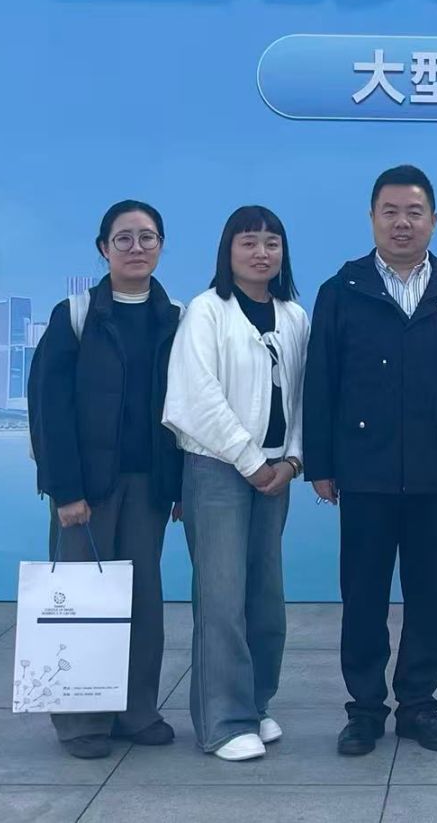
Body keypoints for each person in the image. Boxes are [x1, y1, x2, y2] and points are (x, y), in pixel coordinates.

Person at [303, 165, 437, 757]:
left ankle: (419, 707)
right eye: (390, 211)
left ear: (434, 219)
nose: (402, 223)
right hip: (364, 470)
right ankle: (364, 710)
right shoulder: (342, 289)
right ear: (372, 217)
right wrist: (321, 464)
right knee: (364, 597)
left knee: (429, 597)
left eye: (414, 212)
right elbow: (320, 382)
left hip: (435, 469)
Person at [27, 200, 183, 759]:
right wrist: (65, 490)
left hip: (149, 486)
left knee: (142, 600)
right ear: (103, 248)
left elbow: (185, 408)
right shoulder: (74, 315)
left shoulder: (176, 317)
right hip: (87, 490)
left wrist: (178, 487)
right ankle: (81, 722)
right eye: (124, 238)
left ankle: (136, 711)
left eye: (147, 237)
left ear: (161, 245)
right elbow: (48, 408)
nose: (137, 247)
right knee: (80, 600)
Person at [163, 206, 309, 763]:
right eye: (249, 242)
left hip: (276, 474)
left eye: (272, 243)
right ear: (228, 250)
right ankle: (222, 722)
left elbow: (305, 397)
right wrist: (249, 460)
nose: (261, 253)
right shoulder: (206, 311)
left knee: (265, 597)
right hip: (218, 471)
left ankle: (255, 702)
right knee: (221, 598)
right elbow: (195, 396)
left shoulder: (294, 316)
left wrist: (292, 460)